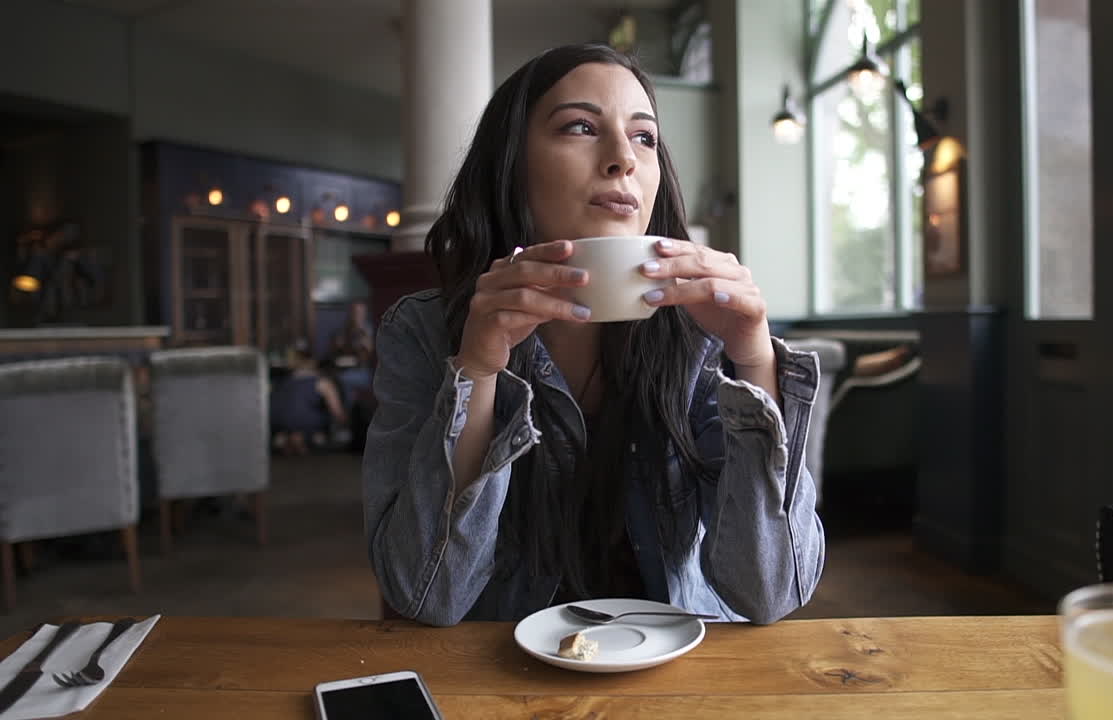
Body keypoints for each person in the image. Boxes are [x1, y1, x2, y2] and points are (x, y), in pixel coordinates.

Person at [362, 44, 825, 627]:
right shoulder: (425, 331)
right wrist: (476, 371)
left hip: (679, 676)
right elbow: (425, 597)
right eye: (581, 126)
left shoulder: (705, 333)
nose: (622, 160)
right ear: (512, 164)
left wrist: (754, 359)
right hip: (502, 676)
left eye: (644, 137)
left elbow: (770, 593)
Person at [270, 344, 347, 455]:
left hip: (276, 421)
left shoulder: (284, 381)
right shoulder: (322, 382)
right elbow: (336, 411)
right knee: (324, 418)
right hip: (304, 420)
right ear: (314, 362)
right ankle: (303, 437)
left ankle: (288, 437)